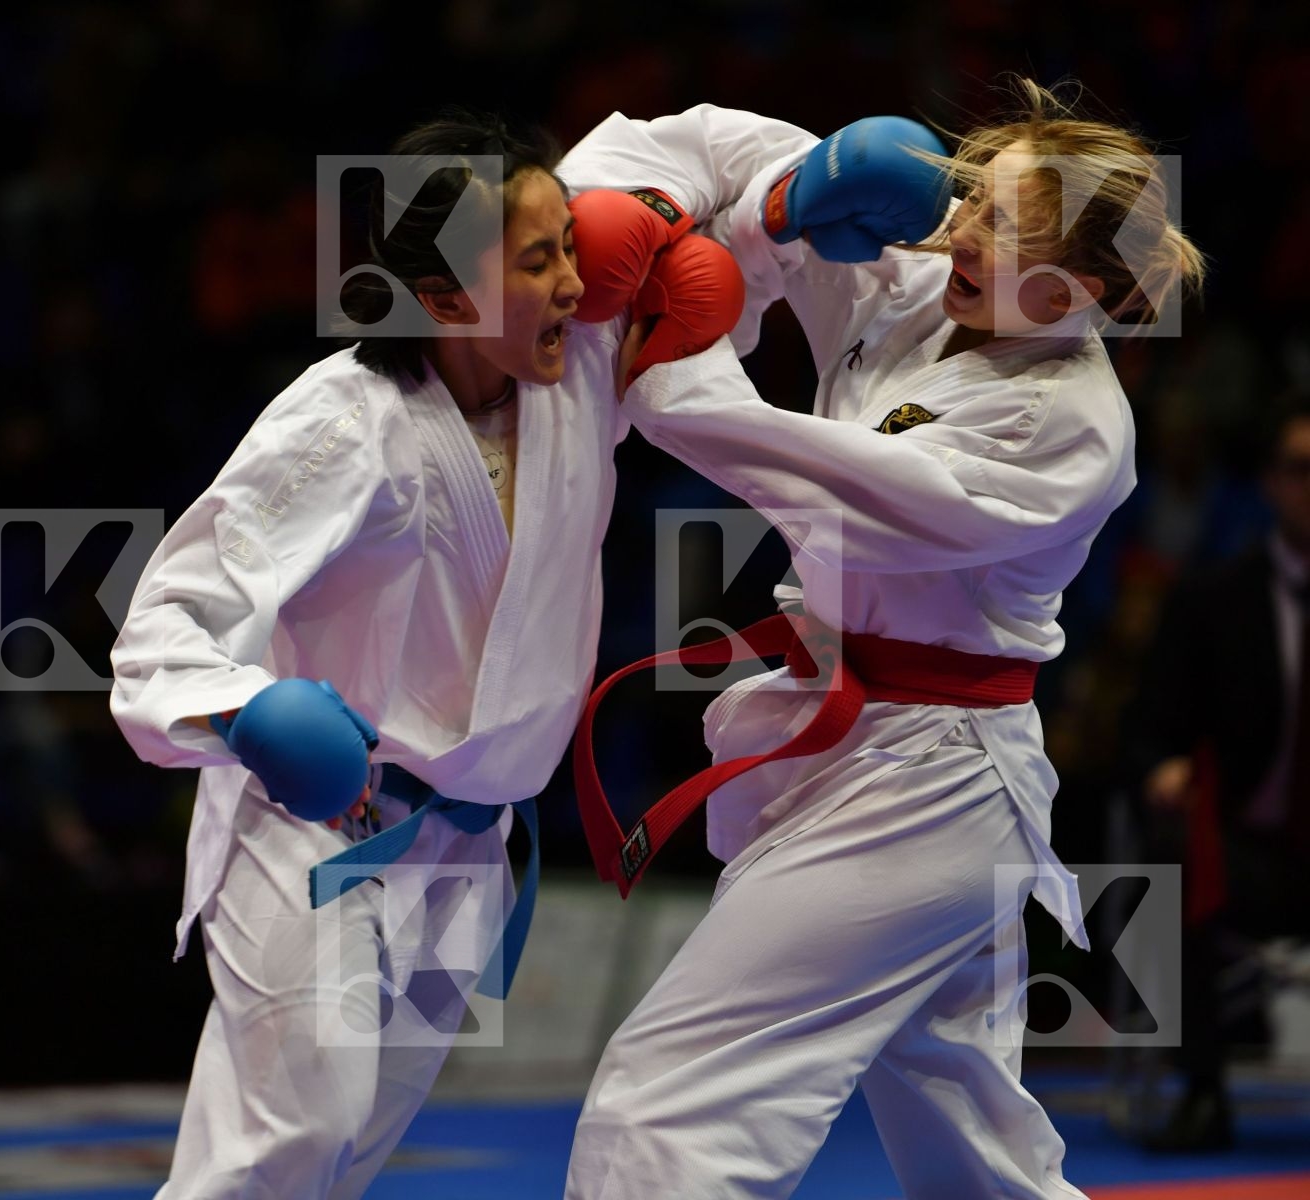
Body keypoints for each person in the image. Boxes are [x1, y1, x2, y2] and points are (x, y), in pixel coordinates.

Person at [557, 79, 1206, 1198]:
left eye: (1000, 225)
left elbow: (804, 484)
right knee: (973, 1152)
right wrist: (773, 204)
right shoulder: (930, 274)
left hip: (924, 786)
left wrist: (682, 344)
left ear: (1076, 294)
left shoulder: (1061, 425)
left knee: (673, 1099)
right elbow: (701, 147)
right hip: (886, 755)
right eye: (975, 198)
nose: (960, 229)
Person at [109, 110, 741, 1199]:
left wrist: (788, 196)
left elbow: (686, 156)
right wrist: (248, 713)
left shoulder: (579, 372)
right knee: (289, 1140)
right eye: (538, 263)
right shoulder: (342, 424)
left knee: (343, 1158)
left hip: (469, 851)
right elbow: (166, 623)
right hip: (320, 830)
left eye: (573, 249)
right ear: (446, 300)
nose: (576, 285)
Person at [1122, 394, 1310, 1150]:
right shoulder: (1212, 598)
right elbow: (1147, 728)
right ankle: (1201, 1090)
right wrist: (1165, 769)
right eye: (1301, 468)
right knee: (1170, 854)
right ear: (1271, 483)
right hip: (1242, 850)